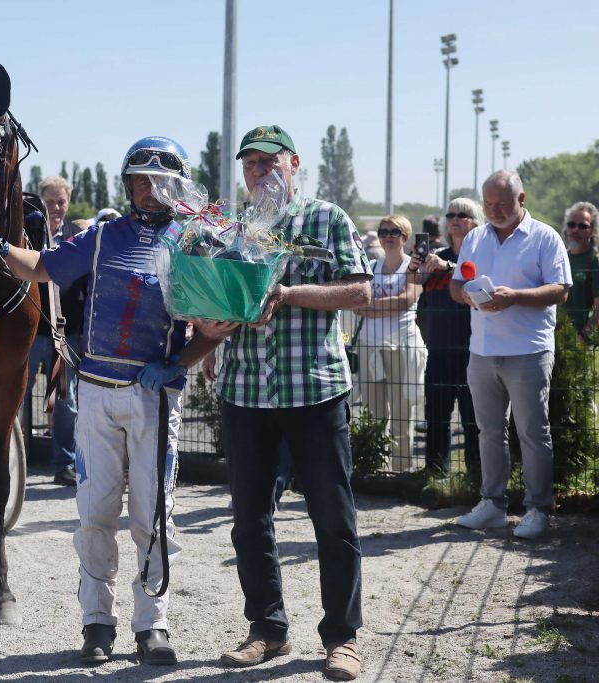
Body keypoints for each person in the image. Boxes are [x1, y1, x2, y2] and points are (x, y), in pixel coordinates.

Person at [0, 136, 233, 666]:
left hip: (156, 398)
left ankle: (152, 623)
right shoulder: (100, 236)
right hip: (97, 393)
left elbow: (216, 326)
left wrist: (178, 363)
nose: (149, 191)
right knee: (94, 513)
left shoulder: (194, 244)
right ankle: (97, 622)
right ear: (127, 185)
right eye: (139, 180)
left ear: (176, 187)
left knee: (153, 515)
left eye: (160, 182)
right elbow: (41, 267)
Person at [213, 125, 372, 681]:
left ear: (294, 164)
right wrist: (216, 312)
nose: (260, 171)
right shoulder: (230, 229)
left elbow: (360, 292)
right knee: (249, 520)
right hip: (245, 391)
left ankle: (342, 639)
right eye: (250, 163)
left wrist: (287, 294)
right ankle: (267, 630)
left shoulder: (327, 218)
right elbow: (212, 306)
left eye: (269, 161)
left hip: (314, 387)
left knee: (333, 517)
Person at [451, 170, 572, 540]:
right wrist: (469, 296)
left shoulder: (545, 237)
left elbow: (560, 290)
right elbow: (456, 286)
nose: (493, 211)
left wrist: (515, 296)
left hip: (528, 350)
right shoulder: (474, 237)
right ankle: (492, 505)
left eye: (502, 204)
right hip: (482, 350)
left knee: (533, 433)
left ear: (522, 200)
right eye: (487, 204)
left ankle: (538, 509)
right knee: (489, 432)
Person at [407, 198, 483, 478]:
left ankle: (476, 475)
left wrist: (448, 267)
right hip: (438, 346)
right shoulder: (436, 253)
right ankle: (436, 472)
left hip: (473, 347)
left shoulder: (481, 252)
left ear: (475, 221)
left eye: (463, 214)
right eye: (450, 214)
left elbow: (478, 280)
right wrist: (415, 267)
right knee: (436, 416)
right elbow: (413, 282)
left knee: (473, 418)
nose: (455, 219)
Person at [354, 214, 427, 471]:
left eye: (393, 232)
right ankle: (376, 466)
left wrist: (372, 306)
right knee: (373, 412)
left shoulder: (413, 267)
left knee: (400, 413)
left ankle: (402, 469)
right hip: (370, 346)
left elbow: (406, 300)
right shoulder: (372, 266)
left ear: (405, 237)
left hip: (401, 347)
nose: (387, 236)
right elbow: (358, 307)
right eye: (384, 231)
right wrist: (385, 305)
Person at [24, 175, 83, 486]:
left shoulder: (78, 237)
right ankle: (11, 461)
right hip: (31, 333)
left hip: (65, 335)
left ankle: (64, 465)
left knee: (64, 400)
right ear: (41, 202)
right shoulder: (30, 236)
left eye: (61, 202)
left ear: (68, 202)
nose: (55, 208)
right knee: (17, 395)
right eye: (49, 202)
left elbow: (85, 284)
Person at [562, 201, 599, 340]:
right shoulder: (558, 259)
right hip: (552, 338)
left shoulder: (594, 261)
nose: (575, 229)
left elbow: (598, 309)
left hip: (580, 344)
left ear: (592, 231)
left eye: (583, 226)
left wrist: (584, 335)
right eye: (571, 224)